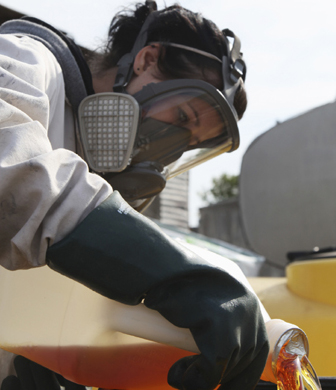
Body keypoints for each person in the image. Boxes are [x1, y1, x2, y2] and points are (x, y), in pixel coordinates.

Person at [0, 1, 269, 390]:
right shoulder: (25, 58)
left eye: (188, 144)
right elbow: (14, 175)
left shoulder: (91, 168)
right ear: (145, 61)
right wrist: (169, 272)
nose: (171, 148)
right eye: (181, 120)